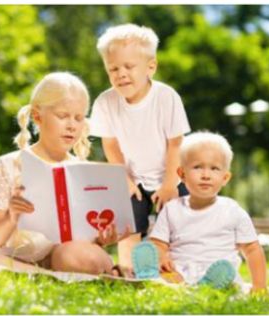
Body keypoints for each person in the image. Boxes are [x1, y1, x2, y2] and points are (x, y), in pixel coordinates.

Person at [0, 72, 122, 275]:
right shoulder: (9, 165)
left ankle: (48, 273)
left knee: (75, 256)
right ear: (38, 116)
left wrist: (102, 238)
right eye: (63, 116)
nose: (72, 125)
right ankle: (45, 275)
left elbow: (90, 238)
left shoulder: (84, 171)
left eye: (79, 118)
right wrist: (12, 216)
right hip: (19, 257)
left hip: (67, 255)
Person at [89, 23, 191, 273]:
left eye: (129, 67)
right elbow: (110, 145)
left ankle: (180, 269)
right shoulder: (105, 102)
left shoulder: (166, 97)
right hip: (133, 179)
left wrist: (169, 183)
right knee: (128, 222)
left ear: (151, 67)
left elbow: (175, 143)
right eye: (113, 68)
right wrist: (125, 179)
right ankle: (128, 270)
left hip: (171, 173)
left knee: (180, 223)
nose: (121, 73)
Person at [149, 131, 267, 291]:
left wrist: (259, 287)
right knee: (162, 278)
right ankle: (155, 277)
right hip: (179, 278)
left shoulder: (233, 211)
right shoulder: (171, 210)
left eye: (214, 169)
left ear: (225, 178)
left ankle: (209, 286)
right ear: (182, 174)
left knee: (227, 278)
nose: (206, 175)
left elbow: (252, 250)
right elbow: (158, 243)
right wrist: (162, 258)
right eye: (197, 167)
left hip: (221, 277)